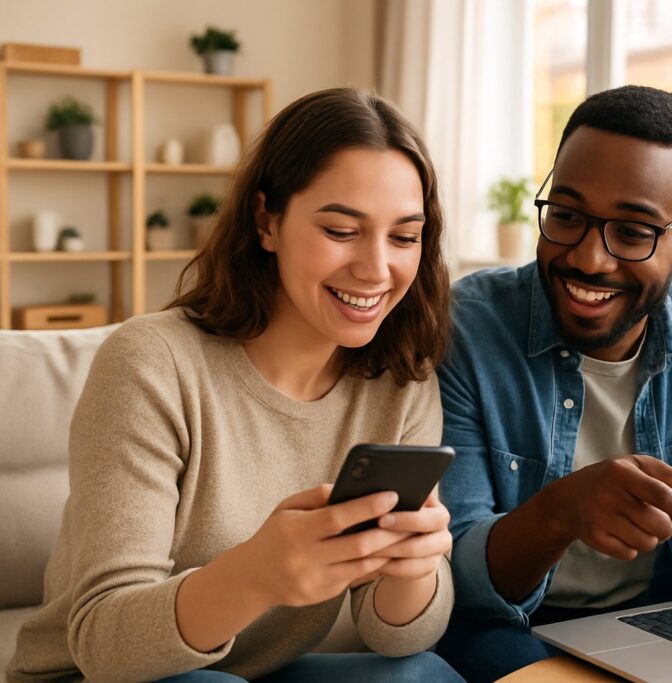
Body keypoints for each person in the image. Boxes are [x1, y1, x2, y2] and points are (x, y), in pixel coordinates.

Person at [7, 89, 461, 683]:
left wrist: (414, 566)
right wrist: (256, 574)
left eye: (404, 237)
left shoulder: (399, 382)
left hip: (257, 673)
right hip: (102, 676)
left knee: (423, 675)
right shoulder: (154, 363)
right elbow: (102, 642)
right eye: (341, 230)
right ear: (266, 221)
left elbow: (398, 636)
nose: (377, 268)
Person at [435, 85, 672, 682]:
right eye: (567, 216)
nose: (588, 259)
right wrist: (559, 514)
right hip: (510, 630)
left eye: (633, 232)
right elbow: (458, 576)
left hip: (663, 619)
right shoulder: (467, 329)